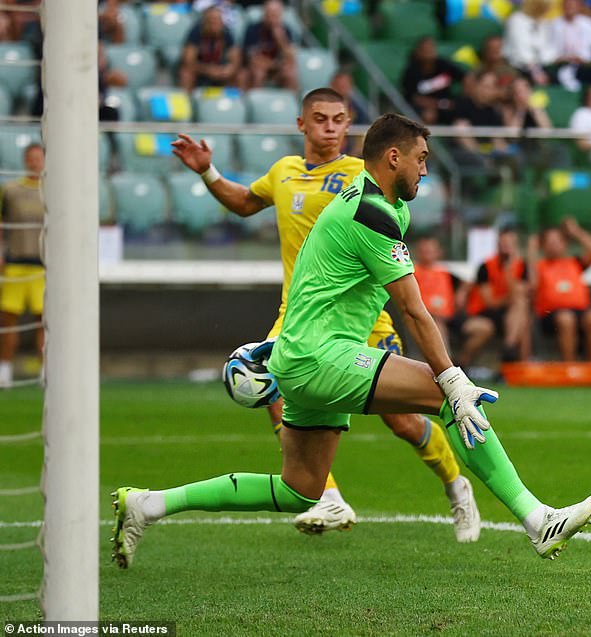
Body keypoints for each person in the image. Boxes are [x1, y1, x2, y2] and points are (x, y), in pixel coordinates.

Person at [113, 113, 591, 568]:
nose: (425, 172)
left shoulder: (377, 205)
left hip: (301, 359)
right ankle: (537, 519)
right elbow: (414, 308)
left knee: (301, 490)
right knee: (446, 397)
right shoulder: (371, 212)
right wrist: (454, 379)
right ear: (395, 158)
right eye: (421, 160)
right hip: (319, 356)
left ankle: (149, 504)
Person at [165, 89, 481, 546]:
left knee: (404, 421)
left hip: (364, 322)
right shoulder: (283, 173)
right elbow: (244, 203)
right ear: (302, 125)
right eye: (320, 119)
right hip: (299, 319)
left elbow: (394, 225)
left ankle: (456, 484)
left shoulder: (362, 175)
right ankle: (327, 495)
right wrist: (209, 172)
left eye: (338, 120)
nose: (330, 128)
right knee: (275, 391)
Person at [528, 218, 591, 361]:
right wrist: (532, 249)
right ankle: (569, 365)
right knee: (566, 319)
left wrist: (576, 231)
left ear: (565, 244)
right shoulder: (540, 266)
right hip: (550, 315)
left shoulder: (574, 263)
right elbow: (532, 283)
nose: (553, 245)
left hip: (580, 311)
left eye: (557, 241)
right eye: (549, 242)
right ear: (543, 246)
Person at [0, 144, 44, 389]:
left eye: (39, 158)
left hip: (42, 265)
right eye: (32, 158)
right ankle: (5, 370)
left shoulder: (52, 189)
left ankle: (45, 370)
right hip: (16, 264)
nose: (35, 162)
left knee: (45, 321)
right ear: (26, 160)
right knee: (8, 320)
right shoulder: (11, 190)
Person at [464, 226, 533, 363]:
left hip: (510, 314)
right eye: (503, 244)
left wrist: (509, 274)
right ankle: (511, 354)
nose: (506, 248)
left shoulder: (521, 266)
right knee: (521, 312)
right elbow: (490, 302)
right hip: (485, 312)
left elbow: (523, 292)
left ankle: (512, 353)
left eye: (510, 244)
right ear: (497, 245)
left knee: (522, 314)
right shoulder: (485, 266)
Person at [412, 235, 470, 349]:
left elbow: (467, 282)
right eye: (424, 251)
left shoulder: (444, 271)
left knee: (481, 328)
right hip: (429, 316)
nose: (427, 254)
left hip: (451, 315)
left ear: (438, 253)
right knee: (437, 326)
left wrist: (461, 293)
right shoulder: (413, 272)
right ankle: (445, 364)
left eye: (430, 251)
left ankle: (462, 361)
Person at [401, 36, 465, 125]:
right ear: (418, 52)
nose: (429, 52)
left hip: (446, 105)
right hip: (424, 108)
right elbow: (414, 98)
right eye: (425, 50)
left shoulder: (444, 65)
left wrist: (462, 97)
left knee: (464, 111)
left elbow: (465, 78)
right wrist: (441, 104)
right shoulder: (411, 71)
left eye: (431, 48)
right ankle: (426, 138)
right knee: (429, 115)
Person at [179, 5, 243, 91]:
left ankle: (232, 103)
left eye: (217, 21)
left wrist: (228, 70)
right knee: (186, 73)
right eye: (211, 21)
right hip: (201, 70)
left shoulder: (227, 33)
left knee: (240, 75)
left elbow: (236, 59)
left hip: (220, 71)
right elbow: (188, 61)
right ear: (205, 22)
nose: (214, 24)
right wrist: (207, 70)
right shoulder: (196, 32)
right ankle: (187, 101)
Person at [242, 0, 297, 90]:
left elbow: (291, 58)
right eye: (269, 14)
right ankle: (256, 102)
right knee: (259, 73)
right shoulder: (253, 29)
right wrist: (274, 64)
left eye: (275, 15)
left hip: (277, 68)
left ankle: (290, 103)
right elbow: (253, 59)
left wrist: (281, 40)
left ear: (280, 15)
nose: (272, 18)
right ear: (264, 13)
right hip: (259, 68)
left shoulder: (286, 30)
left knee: (290, 73)